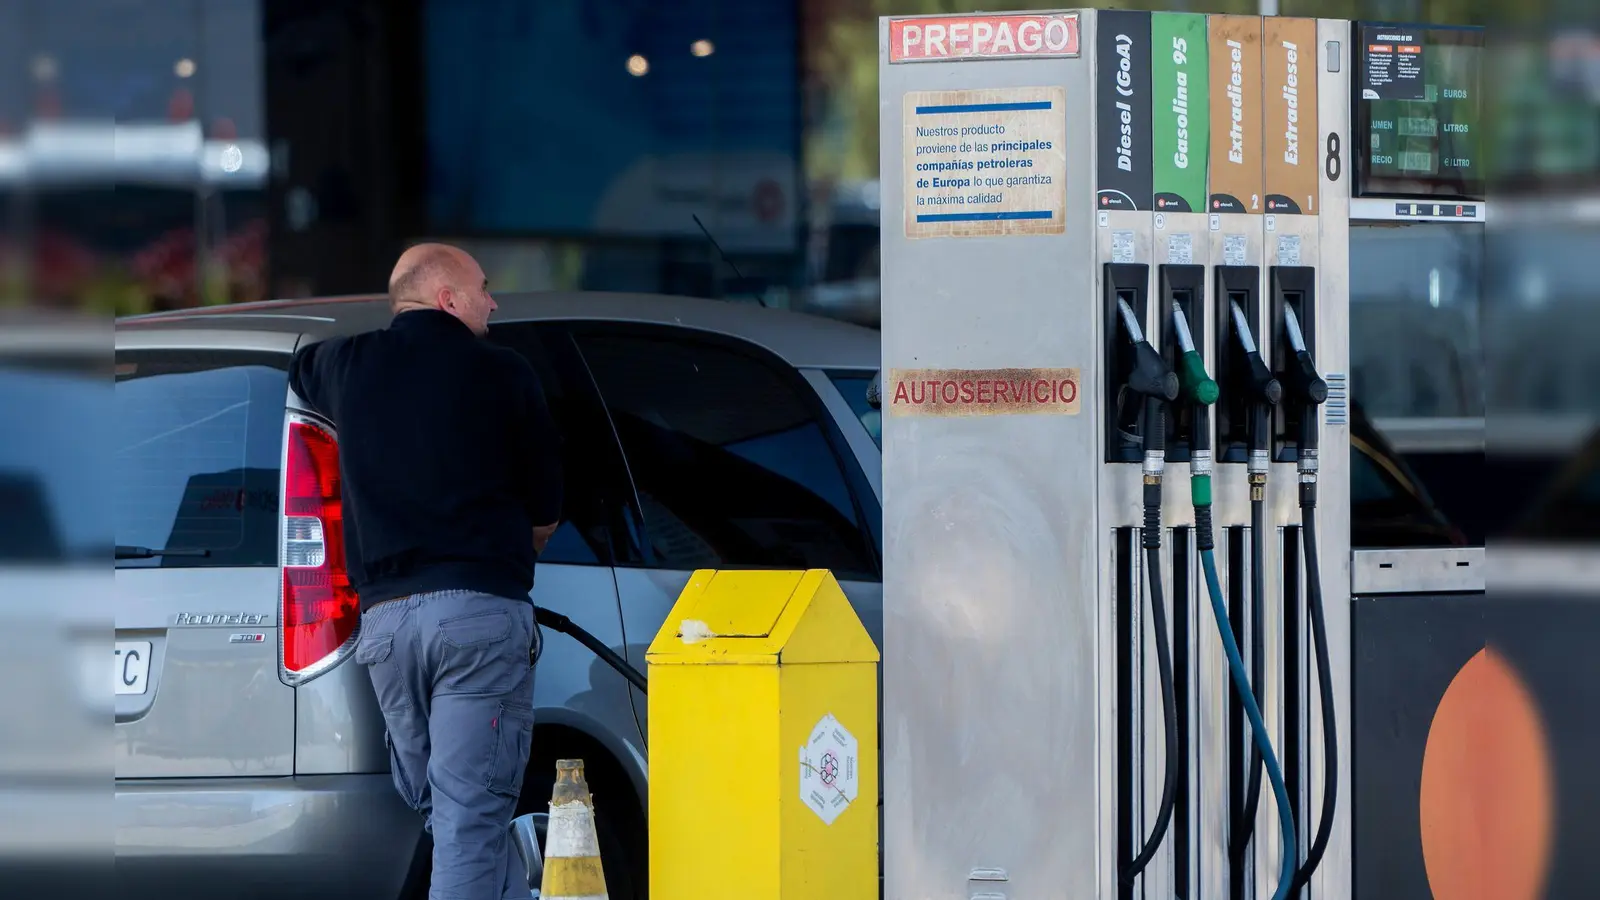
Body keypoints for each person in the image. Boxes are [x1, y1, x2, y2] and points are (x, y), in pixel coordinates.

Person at [287, 243, 562, 900]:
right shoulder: (505, 373)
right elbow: (546, 513)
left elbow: (298, 368)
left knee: (456, 818)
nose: (493, 302)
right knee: (470, 819)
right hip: (475, 621)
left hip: (385, 630)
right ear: (447, 297)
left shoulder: (346, 365)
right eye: (484, 288)